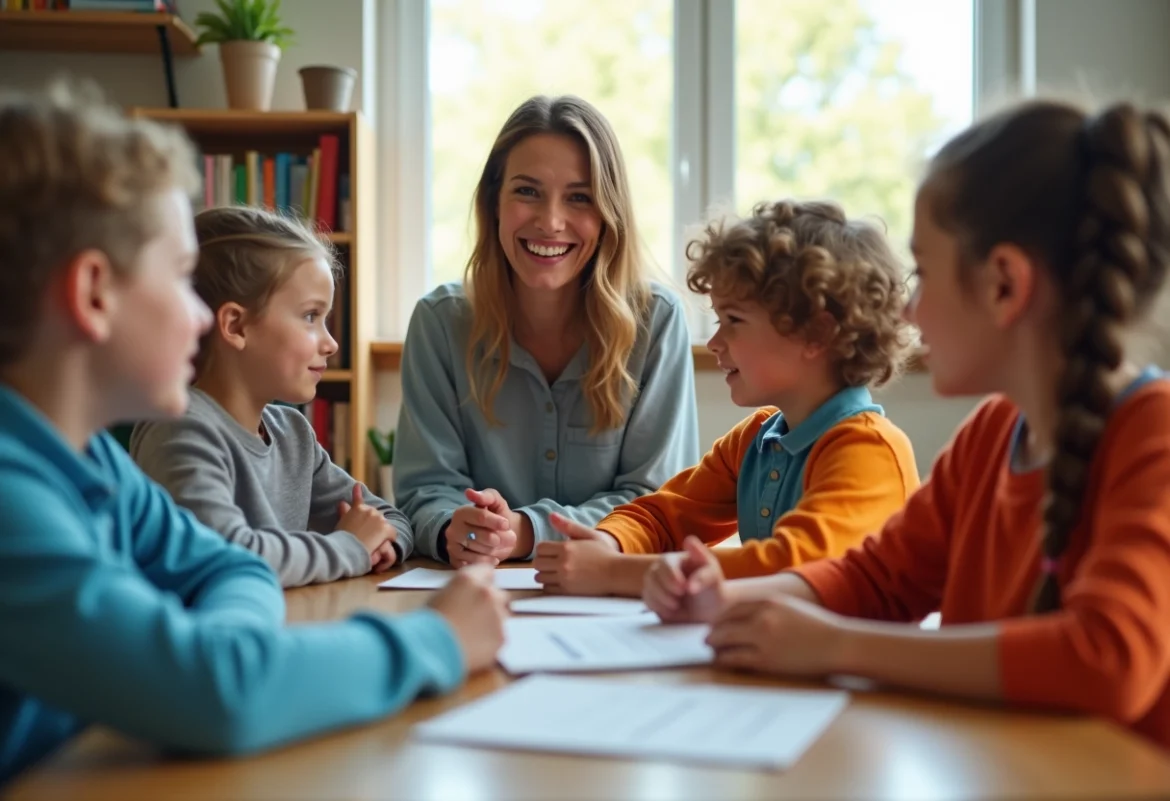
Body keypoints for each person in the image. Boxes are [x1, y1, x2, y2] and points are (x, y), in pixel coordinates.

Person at [0, 83, 507, 784]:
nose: (203, 317)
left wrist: (219, 650)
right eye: (181, 279)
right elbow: (220, 692)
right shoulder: (12, 504)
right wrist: (438, 638)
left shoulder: (89, 465)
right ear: (93, 293)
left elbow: (228, 569)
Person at [647, 100, 1170, 751]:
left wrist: (836, 644)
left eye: (922, 272)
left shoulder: (1153, 434)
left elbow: (1105, 658)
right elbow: (877, 578)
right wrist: (728, 603)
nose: (911, 312)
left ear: (1005, 284)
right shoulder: (989, 435)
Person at [533, 200, 918, 596]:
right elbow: (664, 516)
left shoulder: (869, 449)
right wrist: (610, 543)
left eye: (733, 321)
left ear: (817, 334)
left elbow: (792, 567)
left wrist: (616, 573)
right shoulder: (756, 438)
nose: (715, 343)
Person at [395, 94, 700, 567]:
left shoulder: (656, 323)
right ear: (493, 202)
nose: (550, 222)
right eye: (527, 191)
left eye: (579, 197)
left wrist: (526, 531)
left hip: (613, 600)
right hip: (471, 588)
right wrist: (458, 527)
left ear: (607, 215)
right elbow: (425, 488)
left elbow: (656, 501)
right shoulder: (440, 323)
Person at [132, 205, 410, 588]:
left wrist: (385, 545)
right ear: (237, 325)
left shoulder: (293, 433)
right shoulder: (181, 430)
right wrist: (350, 548)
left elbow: (384, 517)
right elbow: (224, 555)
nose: (330, 343)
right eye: (311, 316)